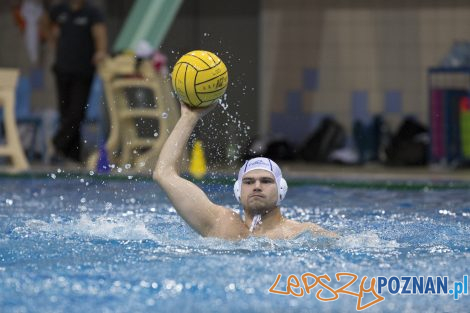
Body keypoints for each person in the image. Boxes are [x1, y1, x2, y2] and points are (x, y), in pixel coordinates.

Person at [153, 102, 338, 240]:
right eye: (248, 182)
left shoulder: (303, 233)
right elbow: (164, 174)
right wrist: (189, 117)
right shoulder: (221, 224)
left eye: (266, 181)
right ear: (238, 191)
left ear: (281, 190)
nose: (257, 186)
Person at [42, 0, 107, 162]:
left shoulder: (91, 12)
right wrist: (52, 41)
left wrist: (100, 52)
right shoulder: (60, 9)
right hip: (62, 69)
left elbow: (100, 33)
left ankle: (57, 143)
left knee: (76, 113)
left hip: (83, 71)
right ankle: (73, 156)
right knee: (65, 113)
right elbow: (44, 23)